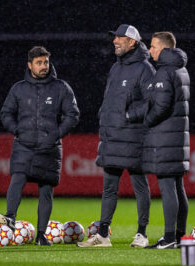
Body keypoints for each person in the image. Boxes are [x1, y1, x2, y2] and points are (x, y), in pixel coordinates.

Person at [77, 24, 155, 248]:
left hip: (133, 137)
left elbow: (153, 101)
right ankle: (103, 235)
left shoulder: (144, 68)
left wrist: (130, 115)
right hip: (112, 137)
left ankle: (141, 234)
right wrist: (104, 116)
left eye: (120, 38)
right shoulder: (116, 68)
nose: (115, 41)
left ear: (132, 42)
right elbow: (109, 100)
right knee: (109, 188)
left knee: (140, 185)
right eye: (114, 38)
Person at [0, 46, 80, 246]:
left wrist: (56, 134)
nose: (44, 66)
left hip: (49, 147)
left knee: (46, 190)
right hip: (24, 144)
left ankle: (41, 235)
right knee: (18, 178)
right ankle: (10, 217)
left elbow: (73, 114)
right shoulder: (18, 88)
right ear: (30, 65)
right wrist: (16, 130)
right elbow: (5, 113)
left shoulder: (61, 87)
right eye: (39, 63)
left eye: (46, 62)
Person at [142, 32, 190, 249]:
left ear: (163, 48)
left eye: (152, 46)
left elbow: (161, 106)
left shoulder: (165, 71)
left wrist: (147, 121)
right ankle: (180, 236)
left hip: (165, 136)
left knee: (168, 185)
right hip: (178, 135)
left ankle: (169, 238)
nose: (150, 50)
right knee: (178, 186)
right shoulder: (181, 68)